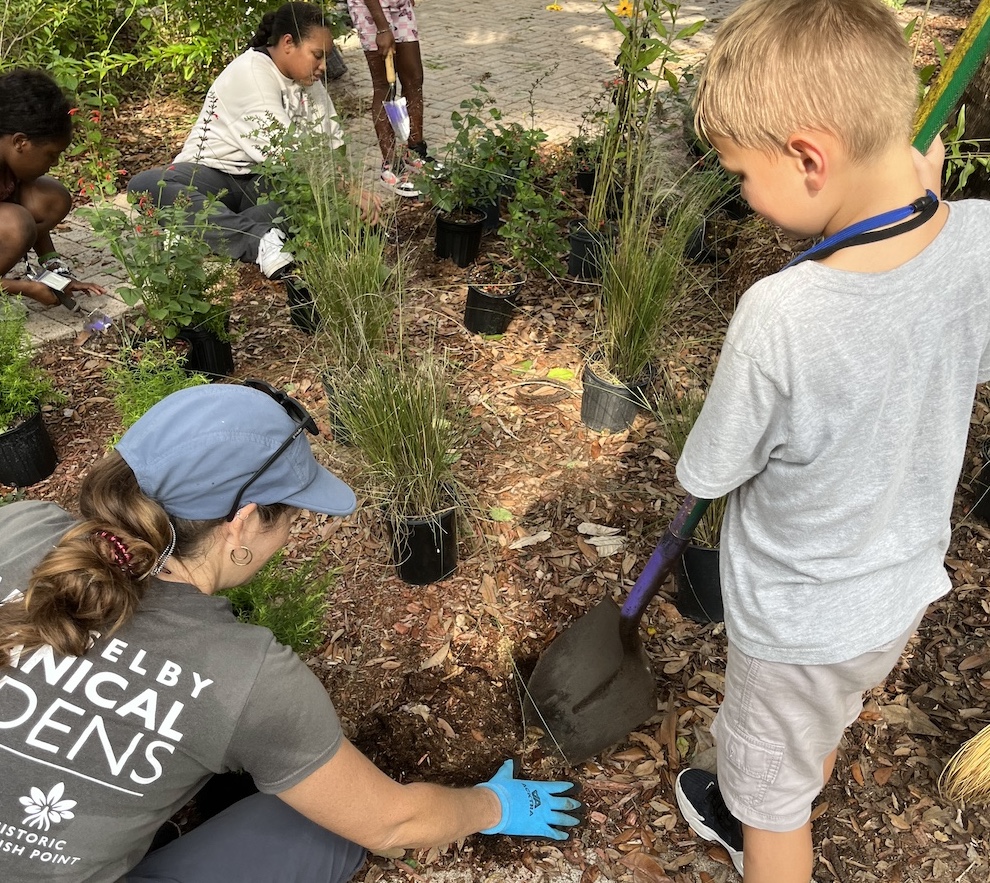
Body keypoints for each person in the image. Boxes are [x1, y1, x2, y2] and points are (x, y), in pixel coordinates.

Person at [0, 381, 582, 883]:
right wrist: (491, 806)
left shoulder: (16, 526)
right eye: (294, 518)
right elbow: (392, 822)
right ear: (244, 523)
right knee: (321, 829)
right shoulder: (245, 676)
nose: (291, 535)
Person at [668, 1, 990, 881]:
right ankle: (793, 781)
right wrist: (929, 200)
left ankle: (766, 832)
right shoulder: (979, 242)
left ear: (809, 157)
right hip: (898, 592)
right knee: (820, 723)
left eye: (740, 171)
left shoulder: (784, 312)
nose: (740, 191)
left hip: (797, 623)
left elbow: (714, 465)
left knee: (768, 805)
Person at [128, 2, 380, 287]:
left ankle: (205, 230)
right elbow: (289, 155)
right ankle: (258, 239)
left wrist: (346, 190)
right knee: (146, 185)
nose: (323, 66)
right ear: (288, 43)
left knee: (315, 205)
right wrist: (345, 191)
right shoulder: (251, 73)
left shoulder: (309, 82)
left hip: (262, 183)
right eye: (317, 56)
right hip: (210, 177)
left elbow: (333, 143)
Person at [0, 69, 106, 307]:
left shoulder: (8, 161)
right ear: (20, 142)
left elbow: (33, 218)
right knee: (16, 225)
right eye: (51, 154)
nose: (56, 163)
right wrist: (23, 288)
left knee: (52, 198)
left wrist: (56, 273)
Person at [345, 0, 434, 196]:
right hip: (370, 7)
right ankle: (391, 165)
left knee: (414, 79)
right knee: (384, 85)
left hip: (399, 5)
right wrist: (383, 28)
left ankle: (416, 153)